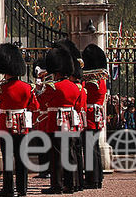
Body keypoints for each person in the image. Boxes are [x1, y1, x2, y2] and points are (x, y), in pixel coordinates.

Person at [0, 42, 38, 197]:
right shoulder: (27, 87)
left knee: (7, 159)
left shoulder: (1, 88)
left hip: (6, 126)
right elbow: (35, 106)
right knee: (22, 158)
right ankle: (22, 188)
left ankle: (8, 189)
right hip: (22, 126)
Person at [38, 45, 82, 195]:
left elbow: (40, 101)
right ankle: (71, 184)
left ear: (56, 72)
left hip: (55, 123)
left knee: (56, 155)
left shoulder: (53, 87)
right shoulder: (75, 87)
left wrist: (40, 89)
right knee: (69, 153)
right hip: (70, 123)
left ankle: (56, 185)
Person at [82, 43, 108, 189]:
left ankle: (92, 179)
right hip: (97, 116)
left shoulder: (90, 83)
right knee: (95, 148)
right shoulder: (101, 81)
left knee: (90, 149)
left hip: (90, 116)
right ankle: (98, 177)